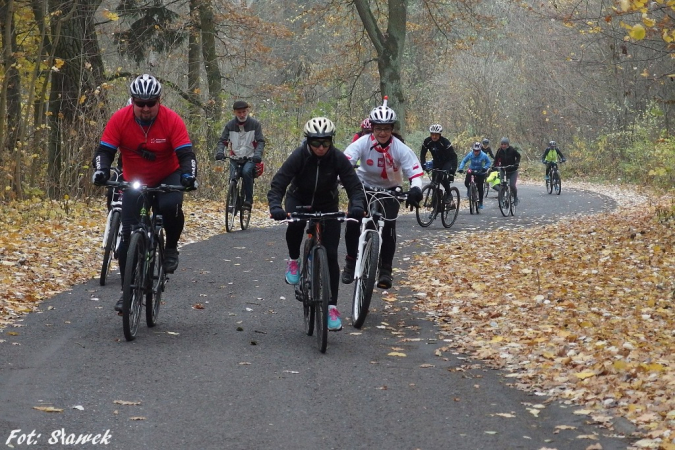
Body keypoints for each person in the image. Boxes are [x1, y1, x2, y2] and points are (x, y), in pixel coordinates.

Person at [92, 74, 197, 312]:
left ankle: (170, 247)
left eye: (151, 103)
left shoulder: (172, 120)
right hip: (134, 179)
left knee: (171, 206)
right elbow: (105, 151)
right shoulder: (120, 119)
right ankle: (127, 292)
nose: (146, 108)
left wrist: (188, 177)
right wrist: (101, 171)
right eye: (140, 103)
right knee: (127, 239)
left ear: (159, 101)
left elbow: (186, 155)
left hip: (167, 175)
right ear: (133, 101)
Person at [267, 117, 366, 332]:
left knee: (331, 254)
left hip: (327, 202)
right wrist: (275, 206)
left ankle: (331, 307)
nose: (321, 148)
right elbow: (279, 183)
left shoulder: (338, 158)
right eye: (316, 143)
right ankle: (294, 259)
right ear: (308, 142)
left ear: (331, 141)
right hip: (299, 199)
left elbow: (354, 186)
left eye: (325, 143)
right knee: (294, 225)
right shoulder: (299, 156)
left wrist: (357, 206)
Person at [341, 98, 424, 290]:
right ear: (372, 128)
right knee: (354, 220)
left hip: (390, 190)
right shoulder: (362, 142)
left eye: (387, 129)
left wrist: (416, 189)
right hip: (364, 186)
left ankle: (385, 269)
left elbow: (415, 172)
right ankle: (351, 260)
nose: (382, 133)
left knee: (388, 228)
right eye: (378, 129)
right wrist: (342, 177)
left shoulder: (400, 148)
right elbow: (345, 161)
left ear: (392, 129)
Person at [214, 100, 266, 211]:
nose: (242, 115)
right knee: (232, 178)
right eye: (239, 112)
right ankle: (234, 202)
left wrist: (257, 155)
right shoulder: (229, 125)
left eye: (244, 112)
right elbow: (223, 141)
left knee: (246, 172)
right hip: (235, 157)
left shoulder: (255, 124)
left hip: (250, 157)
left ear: (247, 111)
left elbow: (260, 141)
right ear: (234, 112)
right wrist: (220, 152)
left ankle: (248, 200)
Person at [419, 124, 458, 205]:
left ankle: (449, 194)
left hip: (447, 161)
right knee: (434, 181)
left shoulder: (445, 142)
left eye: (436, 135)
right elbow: (423, 154)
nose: (434, 137)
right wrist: (423, 164)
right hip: (436, 162)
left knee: (442, 175)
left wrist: (452, 172)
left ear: (440, 135)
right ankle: (435, 202)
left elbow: (454, 157)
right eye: (432, 134)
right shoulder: (427, 141)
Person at [457, 142, 491, 209]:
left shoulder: (483, 155)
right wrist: (461, 168)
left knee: (480, 187)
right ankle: (469, 189)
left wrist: (485, 168)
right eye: (474, 150)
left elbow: (488, 162)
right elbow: (464, 161)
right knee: (466, 182)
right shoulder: (470, 154)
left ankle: (480, 202)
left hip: (480, 171)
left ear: (480, 150)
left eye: (477, 151)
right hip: (471, 170)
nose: (476, 152)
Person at [492, 137, 521, 205]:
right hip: (503, 170)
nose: (503, 146)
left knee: (512, 185)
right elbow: (496, 159)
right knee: (502, 185)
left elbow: (518, 156)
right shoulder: (499, 151)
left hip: (512, 170)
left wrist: (516, 163)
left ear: (507, 144)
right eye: (502, 144)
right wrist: (494, 166)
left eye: (505, 144)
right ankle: (502, 198)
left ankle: (515, 197)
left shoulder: (512, 150)